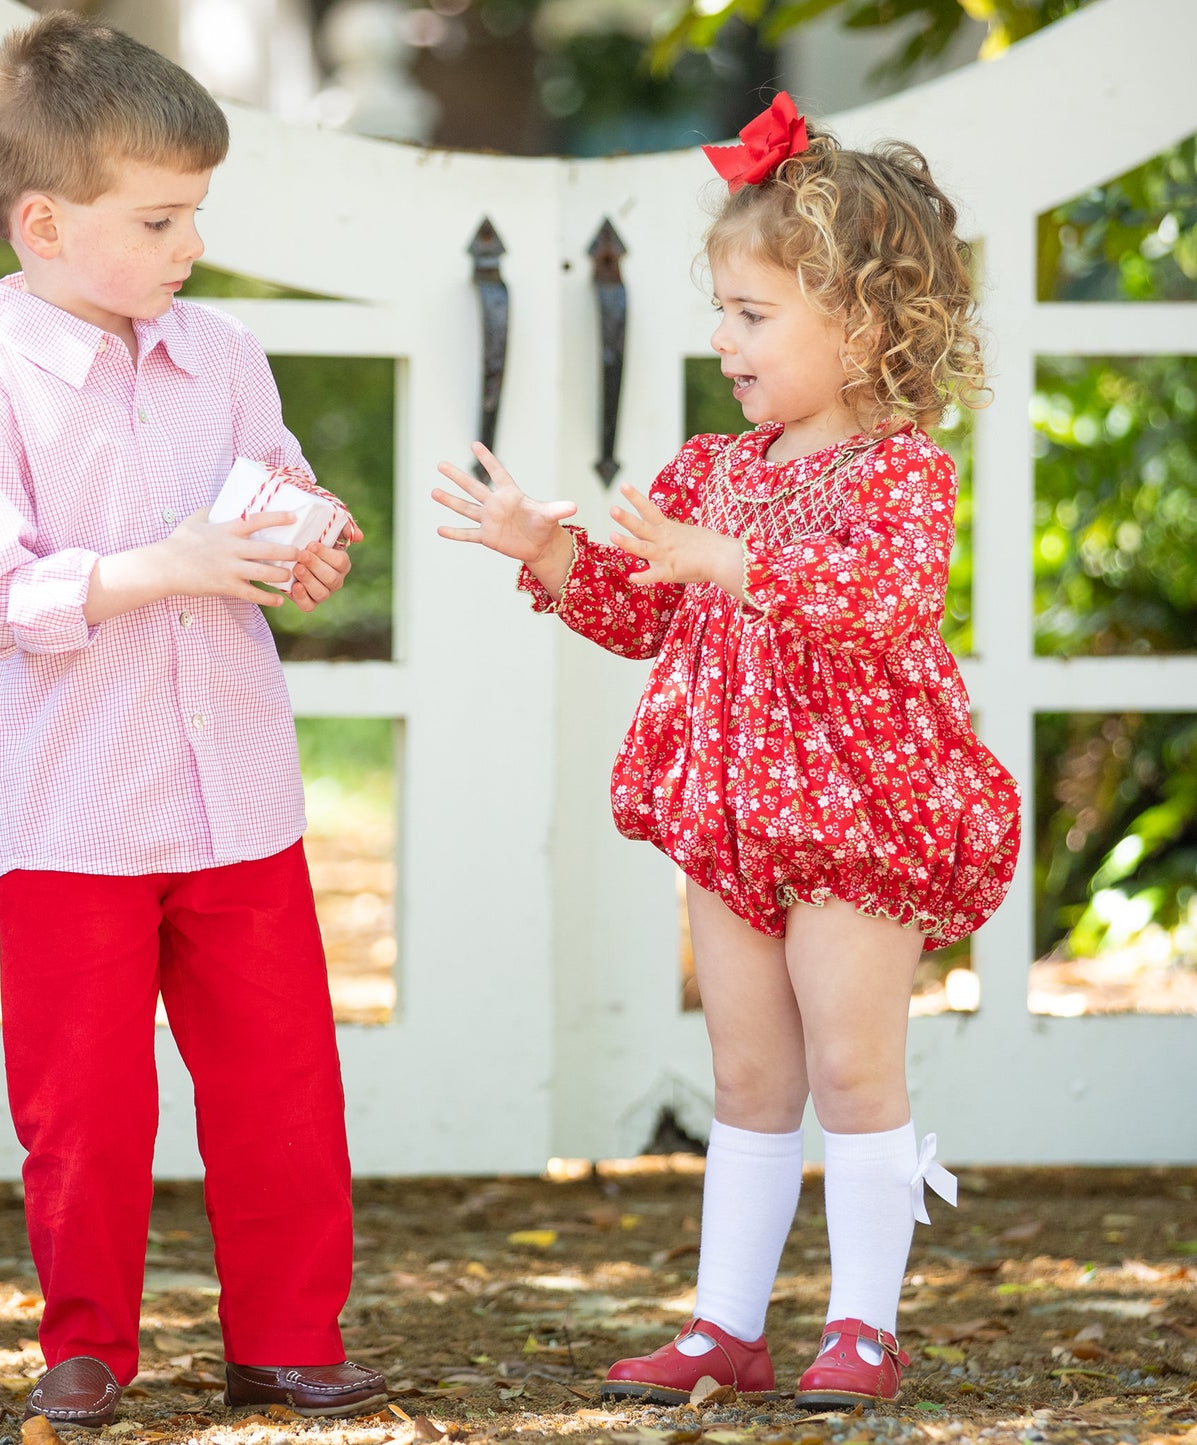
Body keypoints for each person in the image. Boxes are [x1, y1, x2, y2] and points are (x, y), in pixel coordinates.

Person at [433, 92, 1019, 1409]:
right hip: (731, 805)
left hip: (858, 813)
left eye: (751, 314)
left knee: (853, 1064)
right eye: (720, 309)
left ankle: (860, 1325)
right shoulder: (711, 469)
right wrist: (546, 547)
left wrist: (735, 563)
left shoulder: (897, 472)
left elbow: (883, 604)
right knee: (746, 1073)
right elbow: (640, 612)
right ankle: (724, 1323)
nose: (721, 338)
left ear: (860, 321)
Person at [0, 12, 386, 1424]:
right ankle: (86, 1345)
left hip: (236, 793)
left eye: (196, 211)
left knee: (283, 1087)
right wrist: (159, 569)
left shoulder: (224, 352)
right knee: (86, 1109)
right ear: (46, 223)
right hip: (78, 813)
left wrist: (311, 538)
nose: (189, 243)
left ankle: (288, 1336)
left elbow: (278, 489)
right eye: (161, 217)